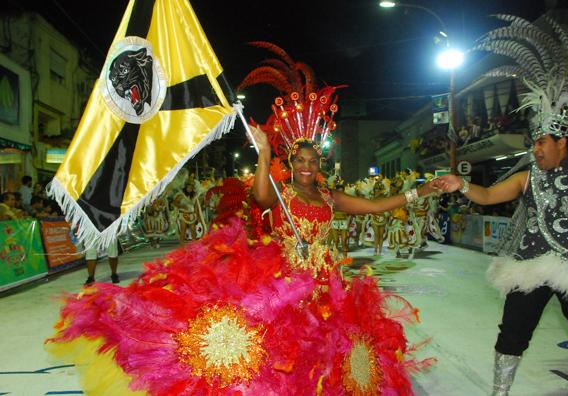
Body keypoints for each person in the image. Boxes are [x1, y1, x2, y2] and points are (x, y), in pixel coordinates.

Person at [47, 43, 435, 395]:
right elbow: (261, 196)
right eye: (298, 160)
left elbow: (377, 206)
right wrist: (264, 153)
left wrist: (420, 191)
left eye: (311, 160)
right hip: (284, 284)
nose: (305, 166)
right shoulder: (282, 195)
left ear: (320, 163)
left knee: (328, 359)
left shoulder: (330, 197)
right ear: (292, 161)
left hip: (326, 284)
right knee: (283, 356)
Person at [434, 15, 568, 396]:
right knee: (512, 332)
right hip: (530, 267)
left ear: (562, 142)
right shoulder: (526, 174)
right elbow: (489, 196)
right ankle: (500, 392)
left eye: (542, 142)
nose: (536, 148)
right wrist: (461, 183)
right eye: (534, 143)